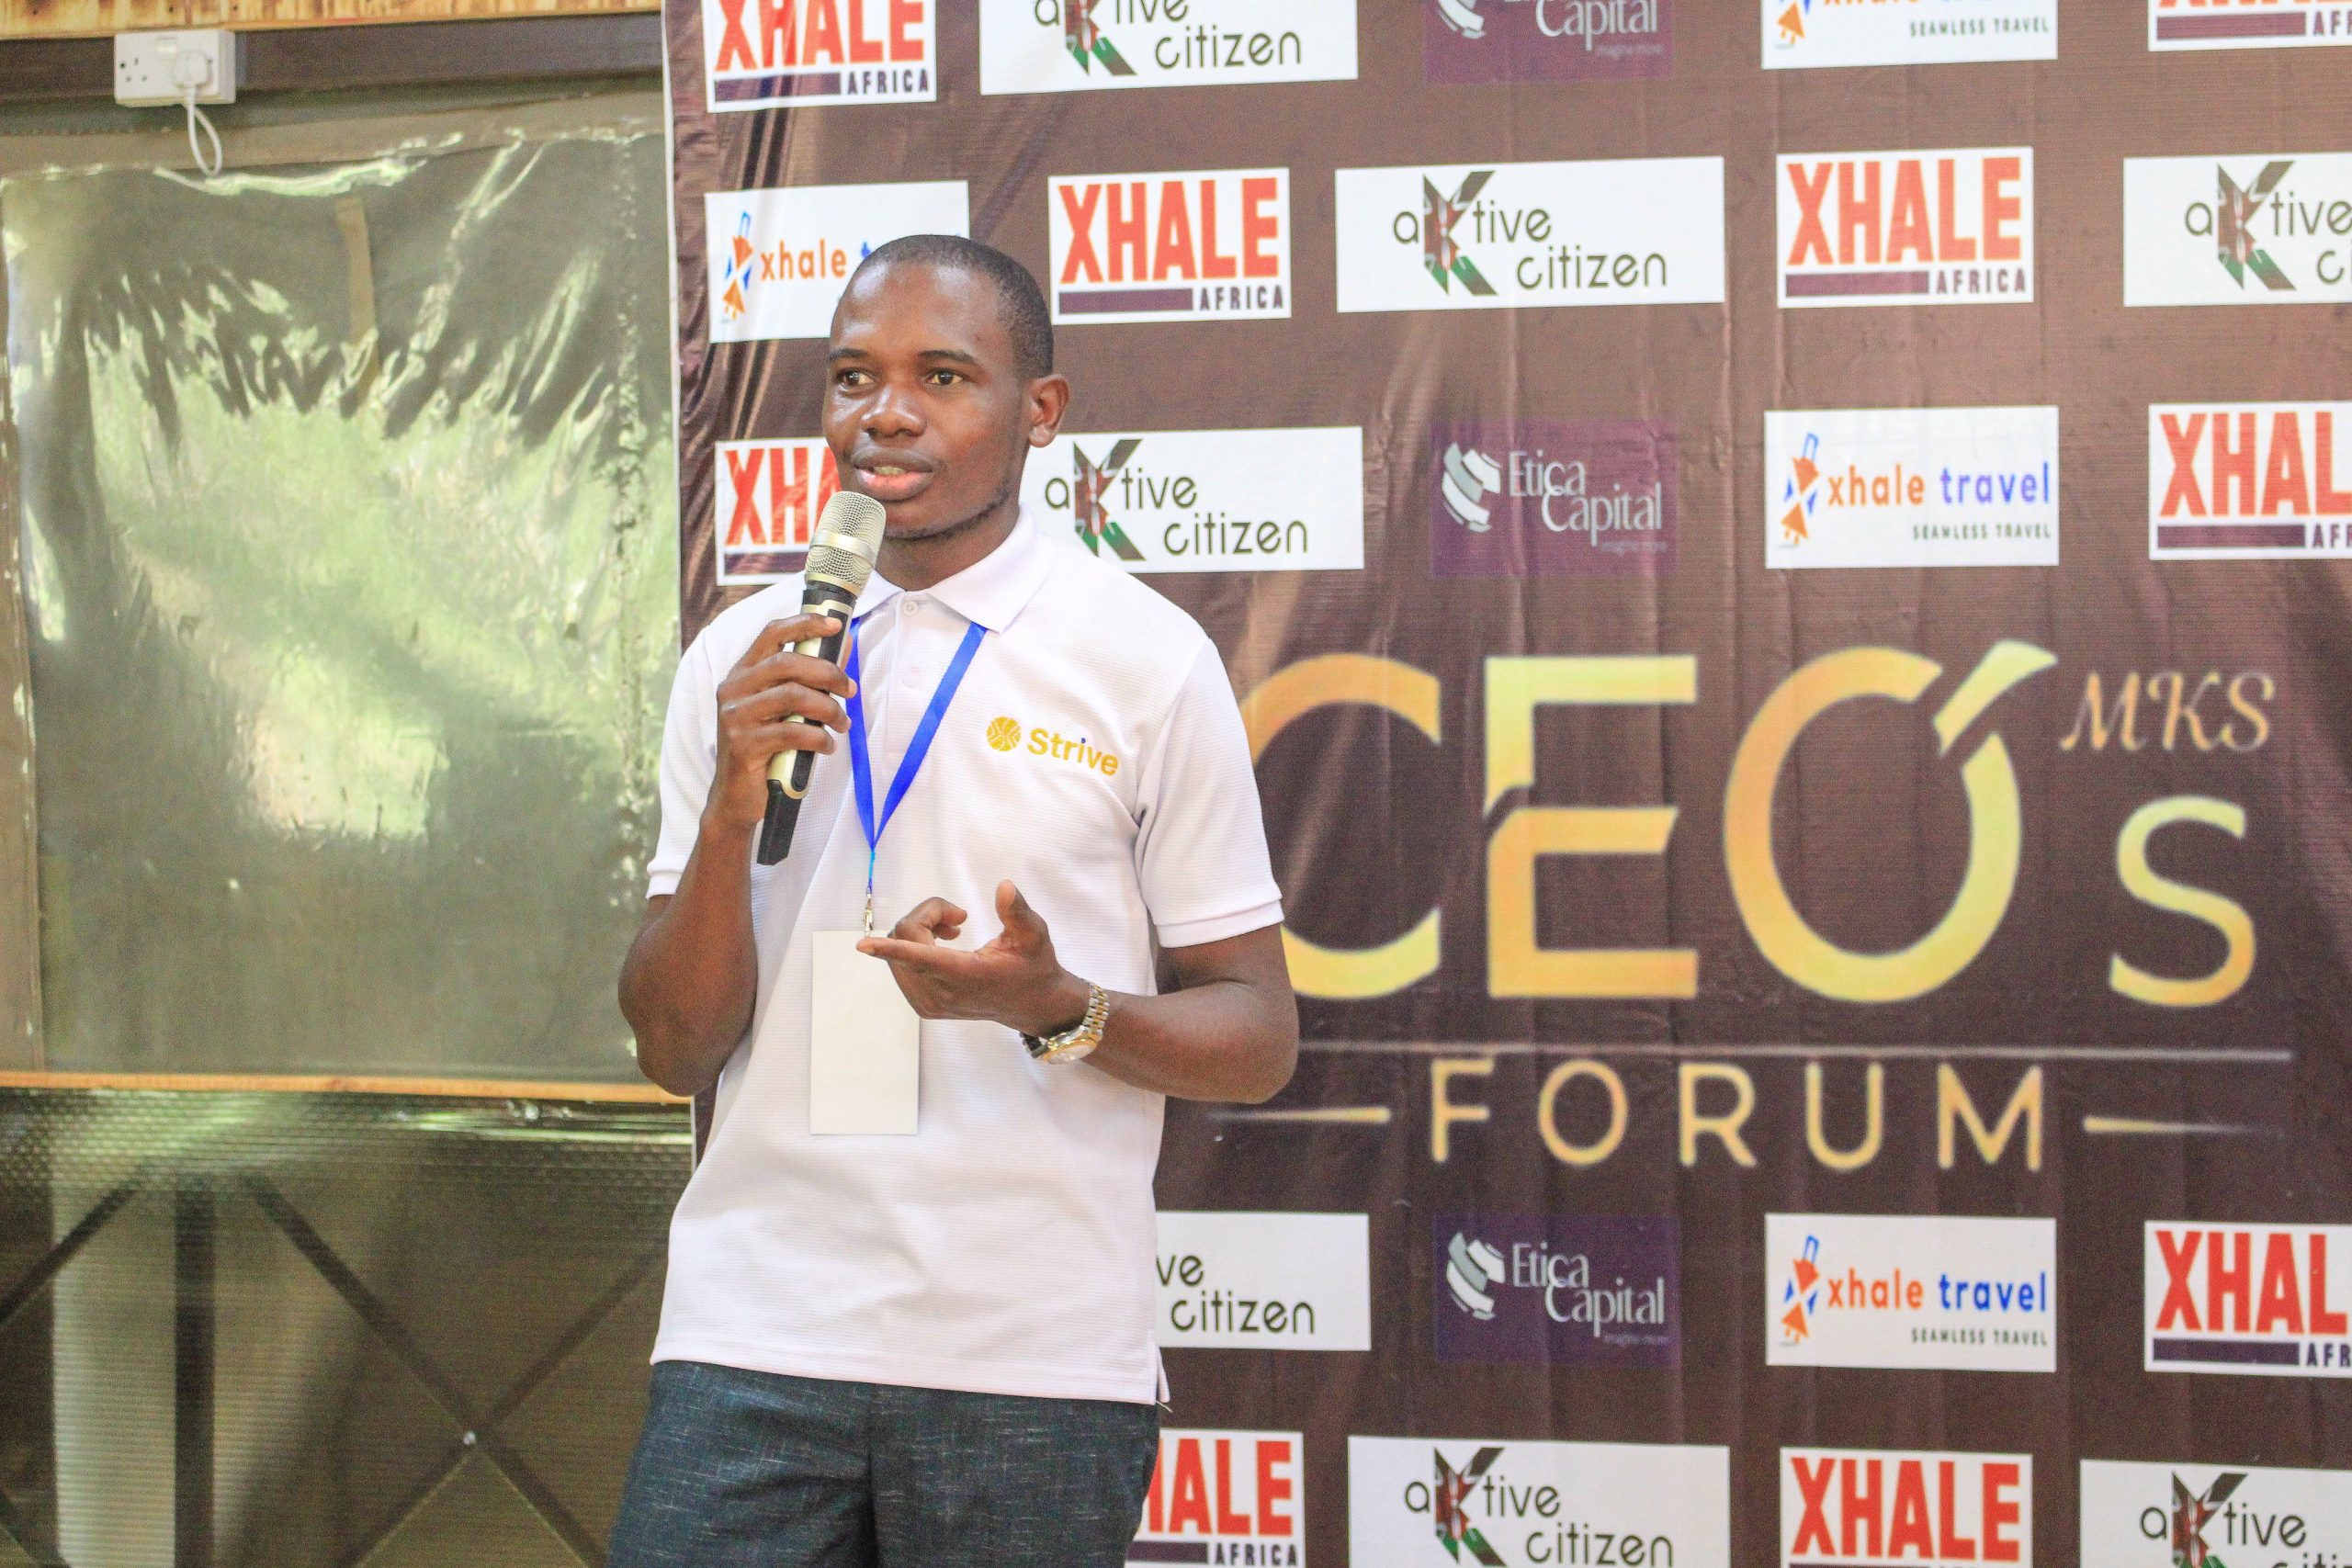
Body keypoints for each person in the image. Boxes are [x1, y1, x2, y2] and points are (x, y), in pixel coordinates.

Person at [607, 233, 1299, 1567]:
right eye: (852, 377)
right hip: (753, 1338)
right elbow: (673, 1048)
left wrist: (1057, 1006)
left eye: (941, 376)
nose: (886, 413)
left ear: (1041, 411)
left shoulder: (1145, 662)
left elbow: (1256, 1036)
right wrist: (733, 812)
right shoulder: (742, 658)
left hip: (1030, 1362)